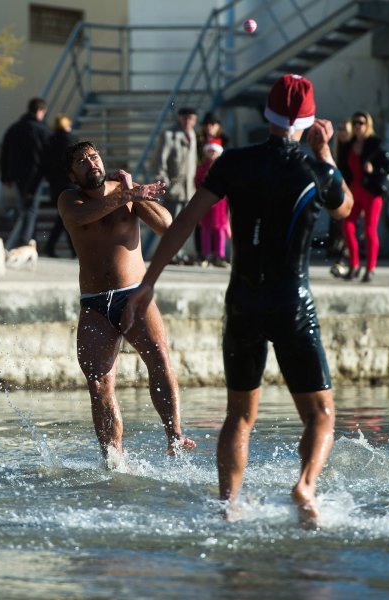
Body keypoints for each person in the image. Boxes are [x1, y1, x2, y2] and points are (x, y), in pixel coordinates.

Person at [122, 74, 353, 523]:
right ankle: (306, 487)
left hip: (243, 302)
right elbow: (343, 207)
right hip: (292, 301)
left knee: (239, 416)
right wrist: (325, 150)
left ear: (265, 114)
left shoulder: (233, 162)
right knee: (321, 412)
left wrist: (149, 280)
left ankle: (228, 505)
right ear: (308, 120)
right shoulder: (314, 167)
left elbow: (186, 221)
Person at [58, 141, 195, 466]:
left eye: (93, 156)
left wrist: (133, 193)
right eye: (80, 160)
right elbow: (84, 216)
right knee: (99, 382)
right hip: (94, 304)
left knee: (160, 360)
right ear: (72, 174)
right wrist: (127, 195)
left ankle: (174, 437)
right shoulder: (70, 200)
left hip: (134, 293)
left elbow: (167, 227)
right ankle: (113, 456)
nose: (89, 162)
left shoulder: (126, 191)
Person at [337, 111, 388, 283]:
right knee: (348, 226)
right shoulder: (348, 145)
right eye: (355, 122)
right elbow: (342, 168)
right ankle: (354, 265)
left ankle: (370, 268)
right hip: (354, 191)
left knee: (369, 230)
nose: (358, 125)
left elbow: (388, 167)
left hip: (371, 191)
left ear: (368, 125)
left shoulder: (375, 145)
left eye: (361, 122)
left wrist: (374, 169)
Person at [0, 97, 50, 250]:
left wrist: (5, 176)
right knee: (31, 209)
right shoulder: (43, 131)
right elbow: (47, 155)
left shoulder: (14, 128)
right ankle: (26, 241)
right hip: (35, 175)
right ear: (40, 111)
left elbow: (4, 153)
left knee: (25, 207)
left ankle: (28, 240)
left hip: (17, 175)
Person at [153, 107, 198, 264]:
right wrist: (165, 184)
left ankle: (181, 253)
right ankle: (170, 254)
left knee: (185, 223)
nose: (188, 122)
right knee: (170, 224)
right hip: (174, 188)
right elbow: (160, 162)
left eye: (191, 119)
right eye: (185, 118)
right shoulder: (169, 135)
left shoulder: (192, 135)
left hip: (188, 189)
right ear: (179, 118)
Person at [43, 114, 78, 258]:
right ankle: (72, 250)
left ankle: (55, 247)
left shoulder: (50, 140)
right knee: (67, 216)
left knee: (64, 217)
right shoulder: (70, 140)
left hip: (55, 184)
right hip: (68, 183)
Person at [195, 139, 230, 267]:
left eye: (214, 151)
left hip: (220, 205)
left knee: (219, 230)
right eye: (210, 151)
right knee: (206, 229)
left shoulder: (223, 167)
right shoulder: (202, 168)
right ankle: (206, 255)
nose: (212, 154)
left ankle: (220, 255)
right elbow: (197, 182)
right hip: (205, 203)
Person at [328, 118, 352, 278]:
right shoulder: (337, 149)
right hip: (339, 193)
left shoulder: (353, 149)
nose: (341, 132)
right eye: (340, 129)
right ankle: (338, 260)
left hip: (350, 192)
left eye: (344, 129)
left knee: (347, 229)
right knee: (336, 229)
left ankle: (343, 261)